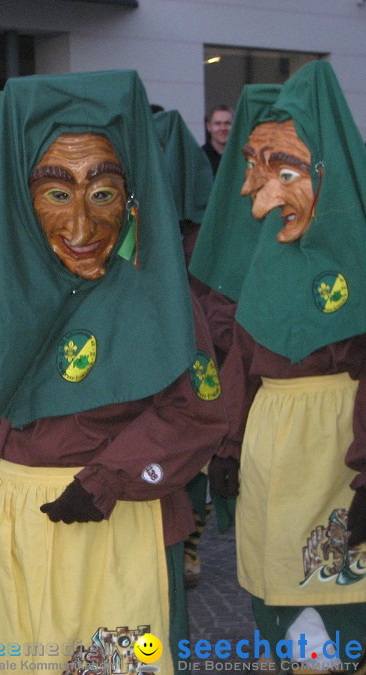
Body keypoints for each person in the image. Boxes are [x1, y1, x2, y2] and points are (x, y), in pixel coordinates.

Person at [0, 71, 227, 673]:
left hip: (124, 526)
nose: (81, 229)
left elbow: (197, 408)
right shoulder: (2, 302)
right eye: (57, 195)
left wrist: (111, 477)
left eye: (102, 194)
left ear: (132, 198)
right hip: (17, 533)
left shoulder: (160, 299)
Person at [191, 61, 366, 673]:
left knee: (337, 591)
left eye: (282, 173)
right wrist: (230, 446)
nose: (253, 195)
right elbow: (242, 358)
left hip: (336, 447)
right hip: (273, 443)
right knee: (274, 579)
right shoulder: (268, 255)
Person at [153, 109, 218, 589]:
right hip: (153, 338)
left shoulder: (197, 234)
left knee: (193, 446)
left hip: (189, 341)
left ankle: (190, 536)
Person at [201, 104, 233, 175]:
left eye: (227, 123)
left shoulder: (243, 156)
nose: (223, 128)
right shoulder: (199, 156)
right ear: (209, 126)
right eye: (218, 124)